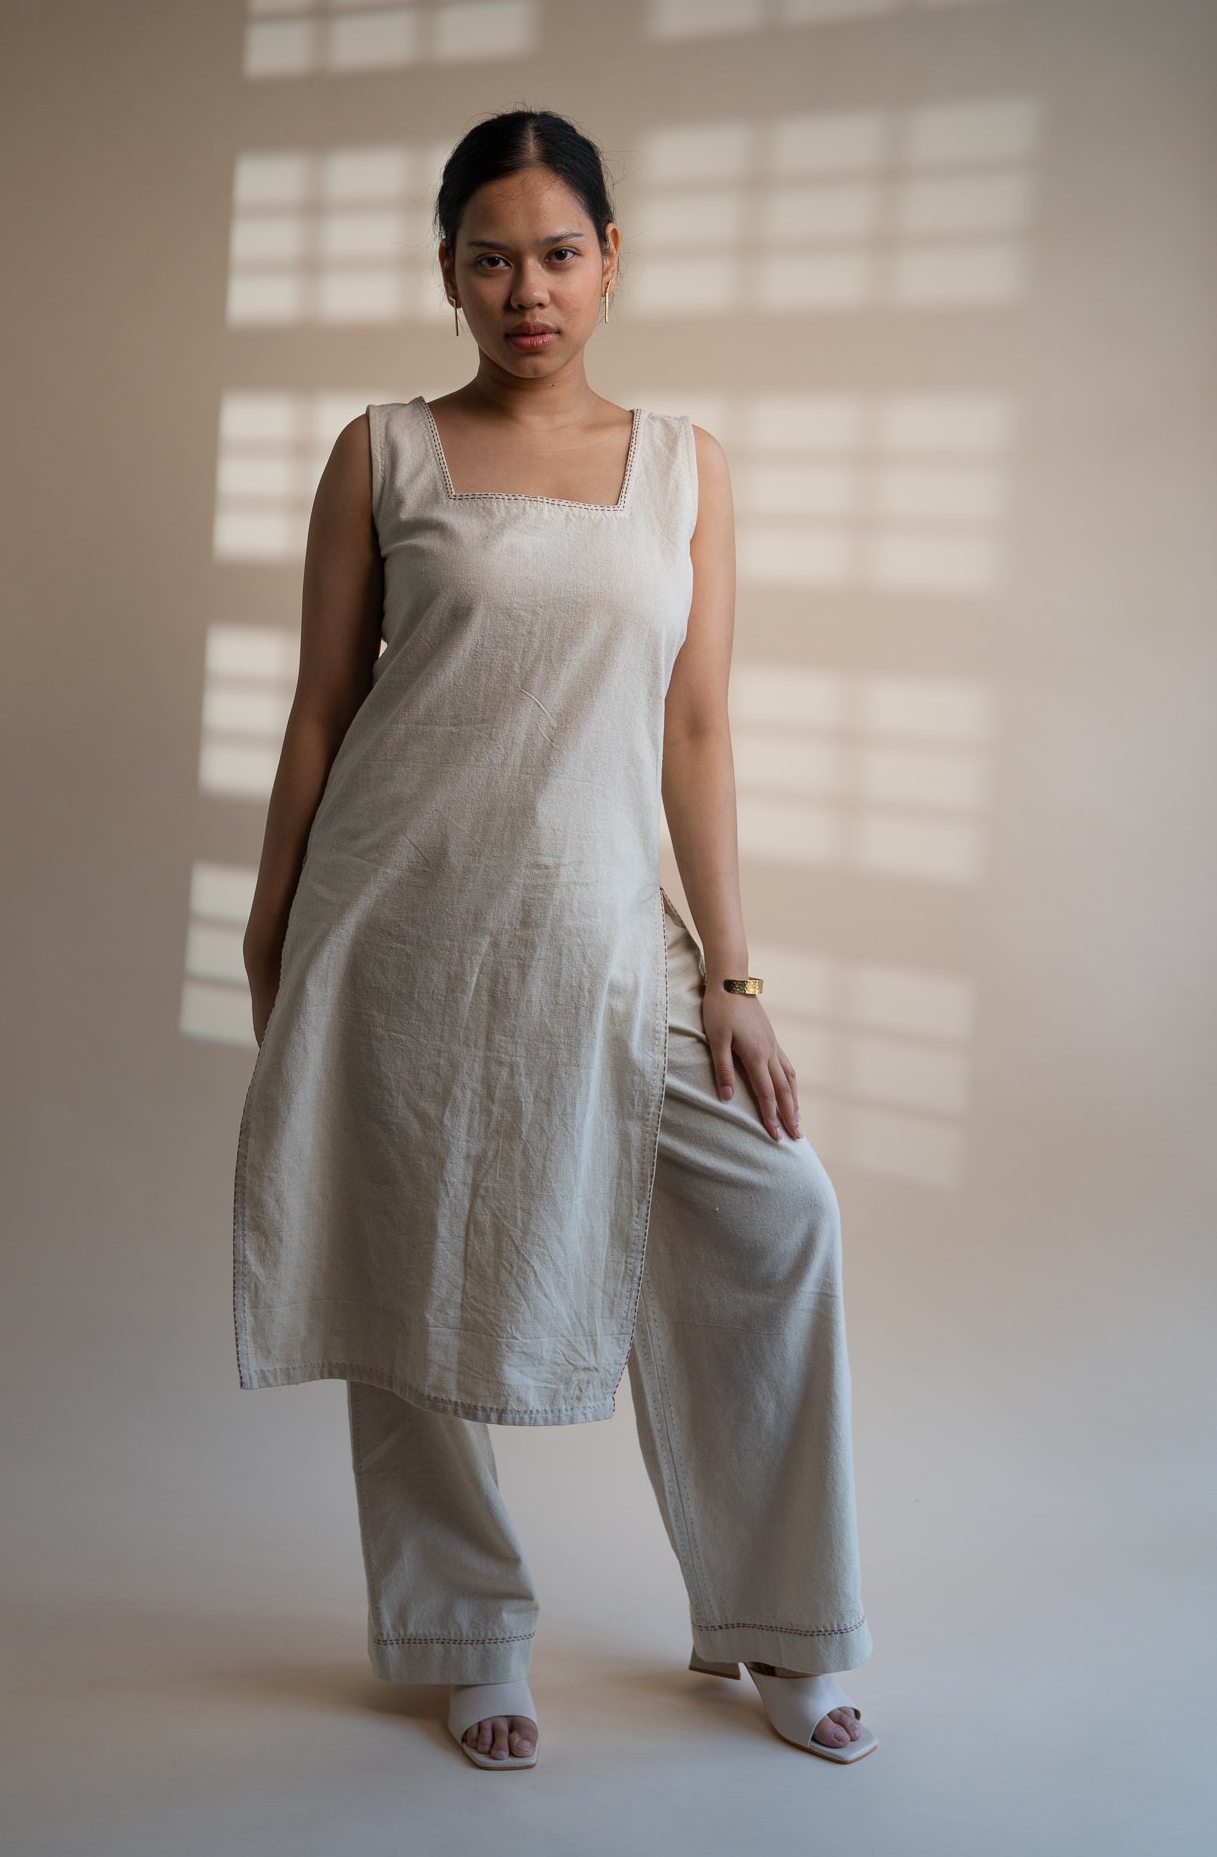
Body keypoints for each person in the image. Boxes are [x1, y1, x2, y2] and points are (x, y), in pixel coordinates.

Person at [234, 108, 877, 1770]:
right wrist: (271, 916)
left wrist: (731, 976)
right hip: (397, 921)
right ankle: (465, 1631)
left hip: (602, 932)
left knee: (778, 1215)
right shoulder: (383, 453)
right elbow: (318, 712)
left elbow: (695, 731)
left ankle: (781, 1619)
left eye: (558, 253)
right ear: (447, 274)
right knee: (407, 1267)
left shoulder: (683, 466)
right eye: (490, 259)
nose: (527, 290)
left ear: (609, 260)